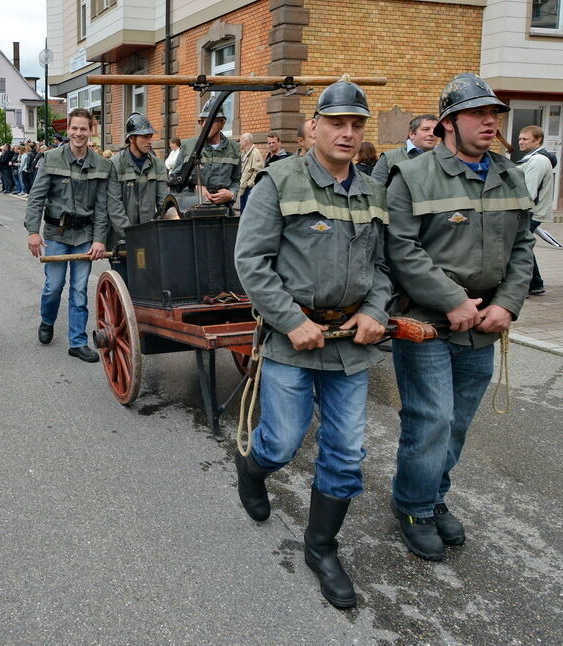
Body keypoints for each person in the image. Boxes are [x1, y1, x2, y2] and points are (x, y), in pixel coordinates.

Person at [233, 78, 390, 610]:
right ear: (315, 126)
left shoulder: (373, 191)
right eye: (337, 123)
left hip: (350, 344)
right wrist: (290, 320)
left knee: (345, 453)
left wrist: (374, 311)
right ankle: (253, 468)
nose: (347, 133)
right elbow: (251, 261)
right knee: (282, 441)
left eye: (356, 125)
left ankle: (321, 547)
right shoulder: (279, 180)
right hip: (292, 339)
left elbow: (384, 266)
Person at [385, 73, 534, 562]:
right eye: (477, 114)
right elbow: (401, 248)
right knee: (431, 420)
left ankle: (432, 495)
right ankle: (413, 507)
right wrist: (452, 300)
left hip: (484, 323)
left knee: (457, 423)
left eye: (494, 114)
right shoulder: (413, 175)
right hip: (427, 322)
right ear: (448, 122)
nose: (490, 122)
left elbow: (523, 246)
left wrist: (507, 303)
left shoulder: (509, 174)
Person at [25, 107, 110, 363]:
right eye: (74, 128)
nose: (78, 133)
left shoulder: (101, 165)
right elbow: (36, 197)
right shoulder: (51, 158)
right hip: (56, 234)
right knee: (53, 286)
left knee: (79, 289)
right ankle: (47, 319)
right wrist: (33, 231)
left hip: (84, 235)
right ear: (68, 130)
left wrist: (99, 239)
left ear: (90, 131)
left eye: (83, 129)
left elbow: (103, 207)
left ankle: (77, 342)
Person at [106, 113, 166, 280]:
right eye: (145, 136)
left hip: (149, 239)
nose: (150, 141)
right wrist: (131, 237)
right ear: (132, 138)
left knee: (147, 284)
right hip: (121, 242)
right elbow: (114, 206)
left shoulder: (158, 165)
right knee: (124, 284)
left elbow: (164, 202)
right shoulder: (114, 165)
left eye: (151, 136)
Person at [174, 97, 242, 209]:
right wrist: (195, 188)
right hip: (193, 209)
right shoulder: (189, 146)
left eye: (210, 120)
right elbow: (175, 180)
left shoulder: (234, 149)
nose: (204, 124)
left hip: (222, 210)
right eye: (202, 120)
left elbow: (236, 180)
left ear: (222, 123)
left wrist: (231, 194)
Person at [518, 125, 556, 295]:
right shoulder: (532, 158)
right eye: (520, 138)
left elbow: (529, 191)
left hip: (531, 212)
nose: (521, 142)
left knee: (518, 246)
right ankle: (535, 284)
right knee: (523, 245)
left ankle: (524, 286)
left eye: (525, 139)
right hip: (531, 211)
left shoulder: (538, 160)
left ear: (538, 140)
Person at [371, 114, 439, 183]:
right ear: (412, 134)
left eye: (436, 130)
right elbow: (375, 187)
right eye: (426, 129)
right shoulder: (389, 158)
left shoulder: (442, 158)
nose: (432, 133)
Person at [238, 132, 265, 213]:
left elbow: (259, 170)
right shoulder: (245, 153)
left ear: (246, 141)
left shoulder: (255, 152)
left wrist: (249, 184)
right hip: (243, 188)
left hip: (249, 189)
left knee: (247, 213)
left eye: (241, 140)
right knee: (243, 213)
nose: (239, 142)